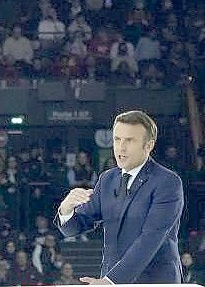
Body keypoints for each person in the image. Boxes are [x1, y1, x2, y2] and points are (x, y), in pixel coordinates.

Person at [54, 110, 184, 284]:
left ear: (148, 145)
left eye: (129, 140)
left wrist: (111, 281)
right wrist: (67, 208)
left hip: (153, 281)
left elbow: (151, 239)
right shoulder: (107, 179)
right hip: (111, 281)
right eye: (117, 139)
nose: (121, 147)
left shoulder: (167, 182)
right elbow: (73, 228)